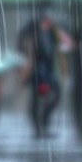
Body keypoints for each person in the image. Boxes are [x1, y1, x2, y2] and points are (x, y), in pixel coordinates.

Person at [17, 8, 69, 139]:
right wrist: (25, 70)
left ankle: (43, 123)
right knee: (38, 97)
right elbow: (28, 53)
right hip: (37, 70)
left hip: (47, 70)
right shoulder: (32, 32)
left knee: (52, 95)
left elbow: (58, 51)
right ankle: (38, 127)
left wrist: (64, 69)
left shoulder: (52, 32)